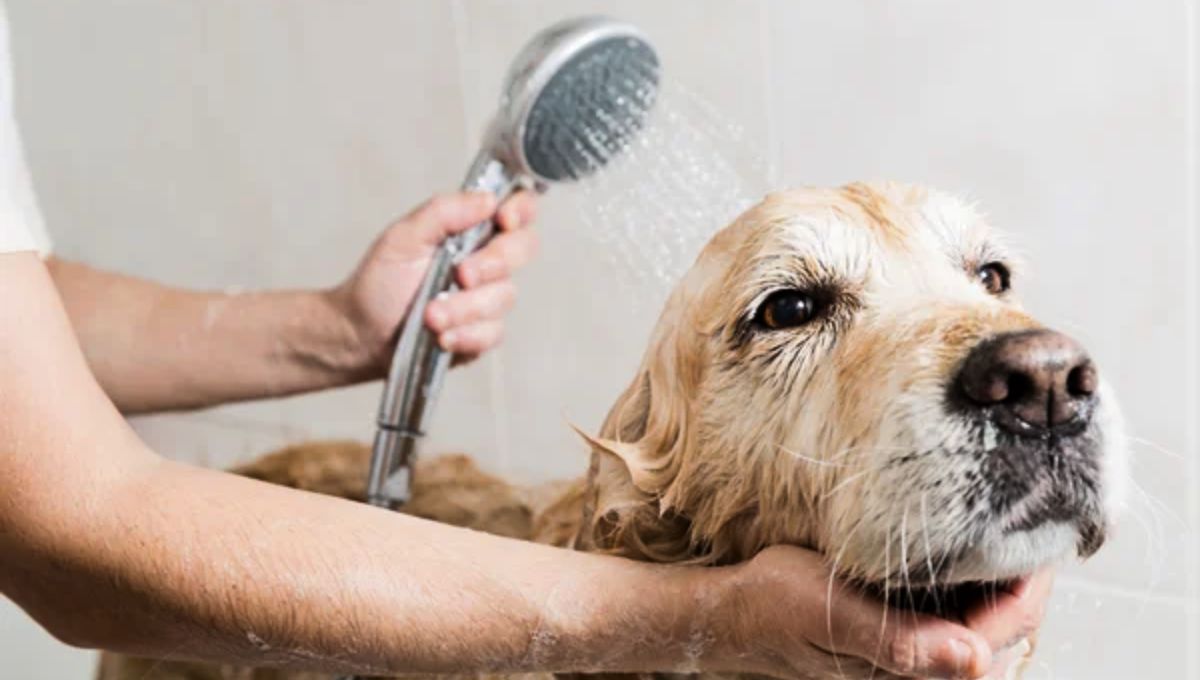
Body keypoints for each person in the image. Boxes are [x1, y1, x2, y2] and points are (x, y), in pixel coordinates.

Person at [0, 6, 1050, 679]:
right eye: (793, 308)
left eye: (988, 275)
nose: (1022, 357)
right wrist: (696, 620)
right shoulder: (673, 583)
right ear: (663, 503)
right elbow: (67, 531)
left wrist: (328, 333)